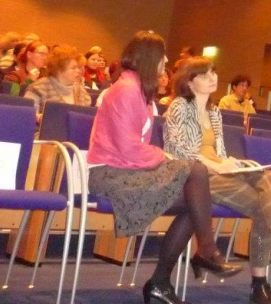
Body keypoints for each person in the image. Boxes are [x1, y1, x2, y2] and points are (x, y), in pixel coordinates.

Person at [87, 32, 242, 304]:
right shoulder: (126, 90)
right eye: (163, 56)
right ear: (149, 58)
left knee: (197, 198)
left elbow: (133, 150)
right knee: (196, 175)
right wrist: (164, 156)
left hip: (128, 169)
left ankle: (165, 279)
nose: (167, 61)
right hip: (110, 174)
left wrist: (162, 158)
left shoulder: (137, 89)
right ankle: (202, 254)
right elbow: (129, 148)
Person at [165, 57, 271, 304]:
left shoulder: (214, 112)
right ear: (189, 82)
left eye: (213, 72)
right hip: (196, 178)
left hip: (220, 171)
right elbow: (180, 151)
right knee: (265, 208)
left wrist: (234, 162)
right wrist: (217, 165)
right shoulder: (179, 107)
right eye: (205, 75)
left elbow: (219, 152)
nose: (213, 78)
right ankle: (261, 281)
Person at [24, 44, 92, 117]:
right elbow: (28, 117)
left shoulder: (80, 91)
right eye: (73, 68)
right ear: (59, 70)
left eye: (78, 67)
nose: (78, 71)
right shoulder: (38, 88)